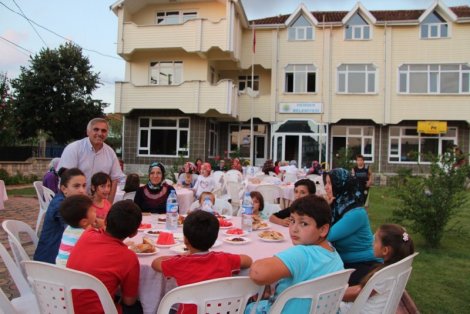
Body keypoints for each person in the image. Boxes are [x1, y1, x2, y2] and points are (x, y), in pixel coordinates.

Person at [245, 195, 344, 314]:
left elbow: (258, 273)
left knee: (249, 307)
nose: (294, 229)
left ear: (322, 230)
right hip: (320, 310)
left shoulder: (303, 253)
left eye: (304, 223)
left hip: (286, 310)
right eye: (292, 220)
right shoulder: (334, 255)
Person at [151, 210, 252, 314]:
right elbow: (248, 260)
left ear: (185, 240)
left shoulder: (179, 263)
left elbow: (155, 263)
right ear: (215, 238)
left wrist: (182, 256)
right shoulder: (225, 259)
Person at [67, 200, 142, 314]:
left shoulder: (87, 234)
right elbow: (129, 301)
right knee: (138, 307)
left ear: (105, 220)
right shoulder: (129, 258)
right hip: (100, 311)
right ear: (134, 234)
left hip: (67, 306)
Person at [339, 224, 415, 313]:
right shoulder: (396, 269)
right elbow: (361, 288)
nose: (372, 243)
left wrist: (335, 294)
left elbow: (358, 293)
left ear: (385, 250)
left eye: (375, 241)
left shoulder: (384, 274)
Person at [325, 168, 381, 286]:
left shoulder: (356, 213)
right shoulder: (337, 207)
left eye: (330, 183)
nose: (326, 187)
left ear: (340, 185)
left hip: (365, 263)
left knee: (325, 284)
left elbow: (326, 235)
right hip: (344, 260)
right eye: (326, 183)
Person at [58, 117, 124, 202]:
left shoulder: (110, 153)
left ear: (107, 133)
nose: (100, 133)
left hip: (98, 203)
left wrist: (108, 206)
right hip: (72, 201)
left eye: (103, 131)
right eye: (96, 129)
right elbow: (66, 177)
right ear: (88, 132)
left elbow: (115, 179)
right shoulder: (74, 148)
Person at [34, 168, 87, 263]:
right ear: (64, 189)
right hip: (50, 262)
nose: (82, 190)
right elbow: (80, 230)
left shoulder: (68, 202)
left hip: (57, 255)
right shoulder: (61, 206)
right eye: (77, 186)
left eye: (84, 186)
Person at [55, 195, 96, 267]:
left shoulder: (68, 229)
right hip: (72, 271)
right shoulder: (87, 234)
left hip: (59, 267)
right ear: (84, 222)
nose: (95, 211)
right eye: (92, 210)